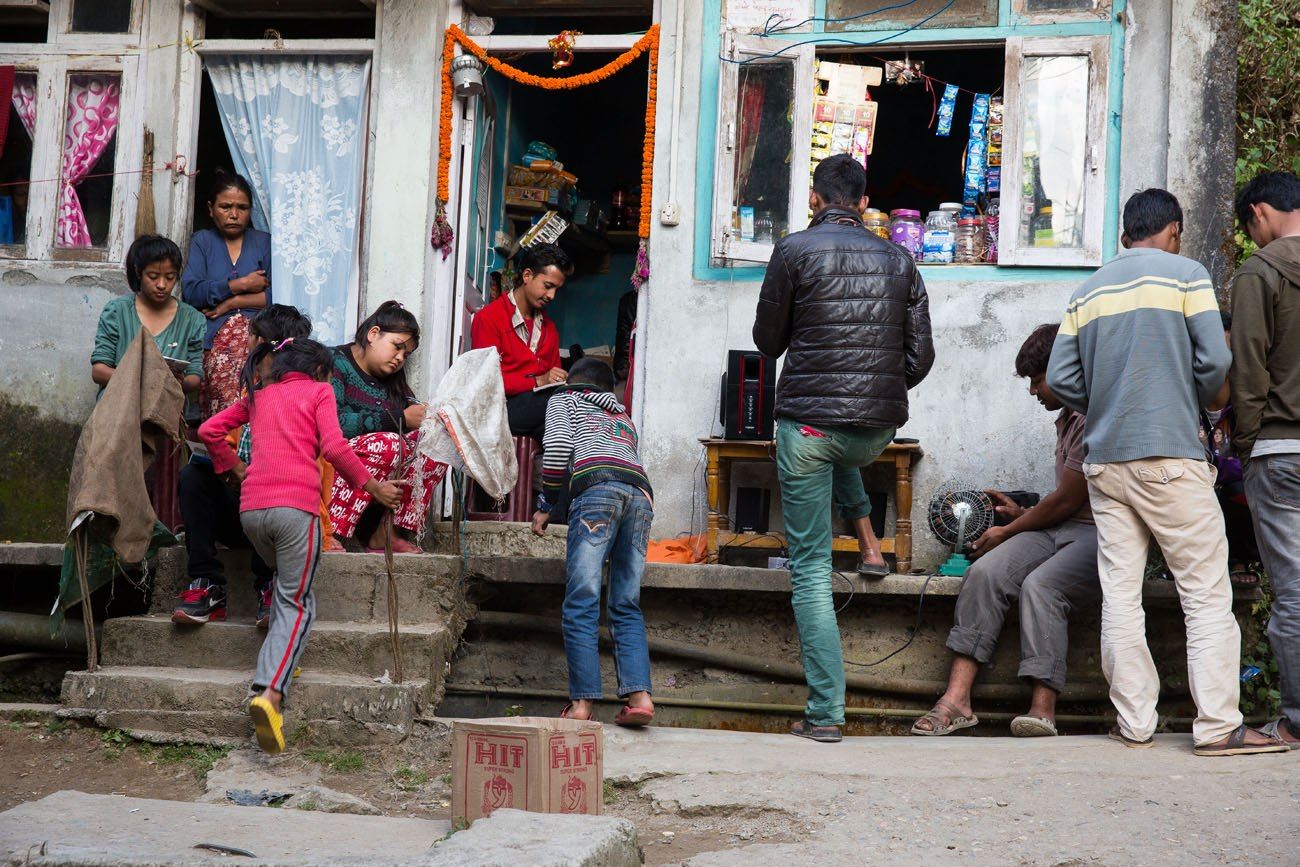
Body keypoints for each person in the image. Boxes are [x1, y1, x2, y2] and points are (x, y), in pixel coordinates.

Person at [1046, 188, 1285, 756]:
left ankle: (1134, 723)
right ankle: (1218, 726)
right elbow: (1216, 362)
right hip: (1170, 457)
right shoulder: (1186, 275)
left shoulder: (1088, 288)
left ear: (1127, 232)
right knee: (1204, 594)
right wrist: (1191, 396)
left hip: (1105, 462)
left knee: (1120, 594)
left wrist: (1104, 400)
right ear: (1173, 229)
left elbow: (1059, 377)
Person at [751, 153, 935, 743]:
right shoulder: (901, 258)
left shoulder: (794, 250)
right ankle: (872, 548)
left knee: (809, 570)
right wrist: (877, 388)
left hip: (807, 428)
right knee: (841, 451)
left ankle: (826, 715)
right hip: (873, 433)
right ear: (863, 201)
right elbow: (920, 357)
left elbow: (766, 342)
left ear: (814, 198)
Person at [199, 337, 403, 754]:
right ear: (319, 372)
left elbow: (208, 430)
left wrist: (233, 467)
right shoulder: (319, 391)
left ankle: (275, 673)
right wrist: (373, 488)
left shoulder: (260, 395)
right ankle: (270, 693)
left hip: (252, 512)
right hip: (297, 511)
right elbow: (333, 446)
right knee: (298, 602)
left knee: (285, 589)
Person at [912, 324, 1099, 738]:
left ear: (1066, 370)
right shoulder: (1067, 418)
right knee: (985, 573)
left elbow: (1070, 500)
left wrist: (1012, 527)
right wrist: (1023, 514)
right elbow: (1062, 503)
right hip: (1059, 527)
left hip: (1098, 535)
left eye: (1037, 380)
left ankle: (1042, 708)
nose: (1033, 392)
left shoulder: (1094, 416)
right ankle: (957, 700)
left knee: (1042, 586)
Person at [530, 358, 655, 727]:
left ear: (571, 381)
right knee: (626, 601)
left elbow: (555, 452)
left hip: (597, 490)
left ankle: (582, 705)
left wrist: (546, 505)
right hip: (641, 497)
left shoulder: (564, 400)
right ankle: (640, 699)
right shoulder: (623, 417)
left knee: (582, 599)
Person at [173, 304, 312, 626]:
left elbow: (322, 466)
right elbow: (211, 432)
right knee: (194, 474)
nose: (246, 343)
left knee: (273, 486)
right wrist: (232, 466)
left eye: (252, 337)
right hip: (242, 514)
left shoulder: (307, 400)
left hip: (283, 523)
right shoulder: (252, 395)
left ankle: (269, 586)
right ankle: (207, 584)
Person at [1229, 169, 1300, 749]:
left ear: (1259, 213)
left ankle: (1295, 722)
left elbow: (1247, 369)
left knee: (1295, 593)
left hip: (1281, 450)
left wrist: (1244, 447)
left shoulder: (1262, 270)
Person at [328, 301, 445, 553]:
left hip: (375, 487)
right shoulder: (334, 362)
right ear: (373, 334)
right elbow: (333, 425)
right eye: (397, 347)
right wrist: (400, 419)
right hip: (331, 468)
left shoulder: (393, 382)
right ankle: (332, 530)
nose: (400, 357)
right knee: (390, 443)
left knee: (435, 442)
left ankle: (387, 532)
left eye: (406, 354)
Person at [182, 169, 272, 418]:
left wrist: (232, 303)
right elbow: (191, 291)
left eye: (242, 208)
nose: (234, 214)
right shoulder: (203, 241)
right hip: (213, 340)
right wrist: (240, 284)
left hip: (259, 340)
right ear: (211, 209)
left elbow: (277, 296)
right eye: (225, 206)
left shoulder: (264, 242)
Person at [470, 243, 572, 439]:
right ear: (527, 276)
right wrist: (539, 380)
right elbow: (485, 383)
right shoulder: (489, 319)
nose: (552, 296)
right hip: (499, 411)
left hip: (537, 413)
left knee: (564, 432)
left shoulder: (550, 329)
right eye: (548, 286)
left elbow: (555, 381)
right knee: (562, 403)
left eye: (556, 290)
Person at [92, 234, 204, 395]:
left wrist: (176, 383)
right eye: (153, 277)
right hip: (120, 408)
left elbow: (195, 376)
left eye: (170, 277)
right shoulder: (117, 311)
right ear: (138, 272)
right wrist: (144, 381)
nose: (162, 285)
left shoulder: (191, 319)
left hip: (165, 411)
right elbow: (99, 371)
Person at [1199, 312, 1259, 586]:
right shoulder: (1184, 401)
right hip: (1192, 491)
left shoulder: (1248, 403)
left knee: (1243, 491)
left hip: (1231, 493)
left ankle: (1238, 559)